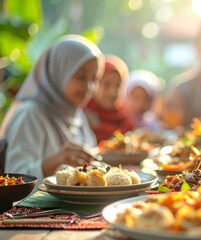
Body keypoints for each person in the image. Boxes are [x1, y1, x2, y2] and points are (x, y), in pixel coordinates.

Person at [0, 35, 104, 180]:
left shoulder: (77, 115)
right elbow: (14, 179)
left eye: (94, 79)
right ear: (58, 71)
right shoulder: (30, 114)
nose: (89, 87)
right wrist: (56, 160)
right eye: (81, 77)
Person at [84, 55, 134, 143]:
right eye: (106, 84)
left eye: (118, 86)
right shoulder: (83, 114)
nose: (113, 93)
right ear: (95, 83)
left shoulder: (124, 117)